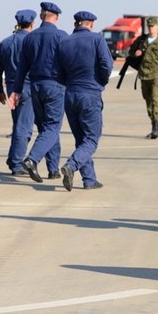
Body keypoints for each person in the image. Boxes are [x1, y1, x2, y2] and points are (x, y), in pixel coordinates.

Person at [8, 1, 68, 183]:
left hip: (35, 87)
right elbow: (68, 63)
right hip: (55, 86)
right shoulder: (61, 36)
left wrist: (16, 90)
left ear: (41, 16)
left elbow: (22, 68)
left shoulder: (29, 38)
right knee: (52, 127)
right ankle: (32, 159)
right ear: (56, 17)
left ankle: (53, 169)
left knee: (46, 128)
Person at [57, 11, 114, 190]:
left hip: (70, 94)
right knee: (91, 139)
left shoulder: (64, 42)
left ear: (76, 24)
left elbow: (58, 70)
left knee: (81, 138)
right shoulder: (97, 39)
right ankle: (71, 165)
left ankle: (89, 179)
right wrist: (100, 82)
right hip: (89, 94)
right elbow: (107, 65)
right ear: (91, 24)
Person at [0, 9, 37, 176]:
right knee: (24, 128)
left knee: (18, 125)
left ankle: (13, 159)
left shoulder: (6, 42)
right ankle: (17, 164)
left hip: (11, 88)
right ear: (32, 23)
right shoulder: (32, 41)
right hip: (27, 88)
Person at [129, 17, 158, 139]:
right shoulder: (141, 40)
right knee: (148, 101)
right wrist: (136, 53)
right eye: (149, 26)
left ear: (157, 26)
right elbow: (130, 52)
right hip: (144, 75)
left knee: (155, 99)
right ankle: (154, 124)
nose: (151, 28)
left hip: (156, 76)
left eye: (153, 26)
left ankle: (156, 125)